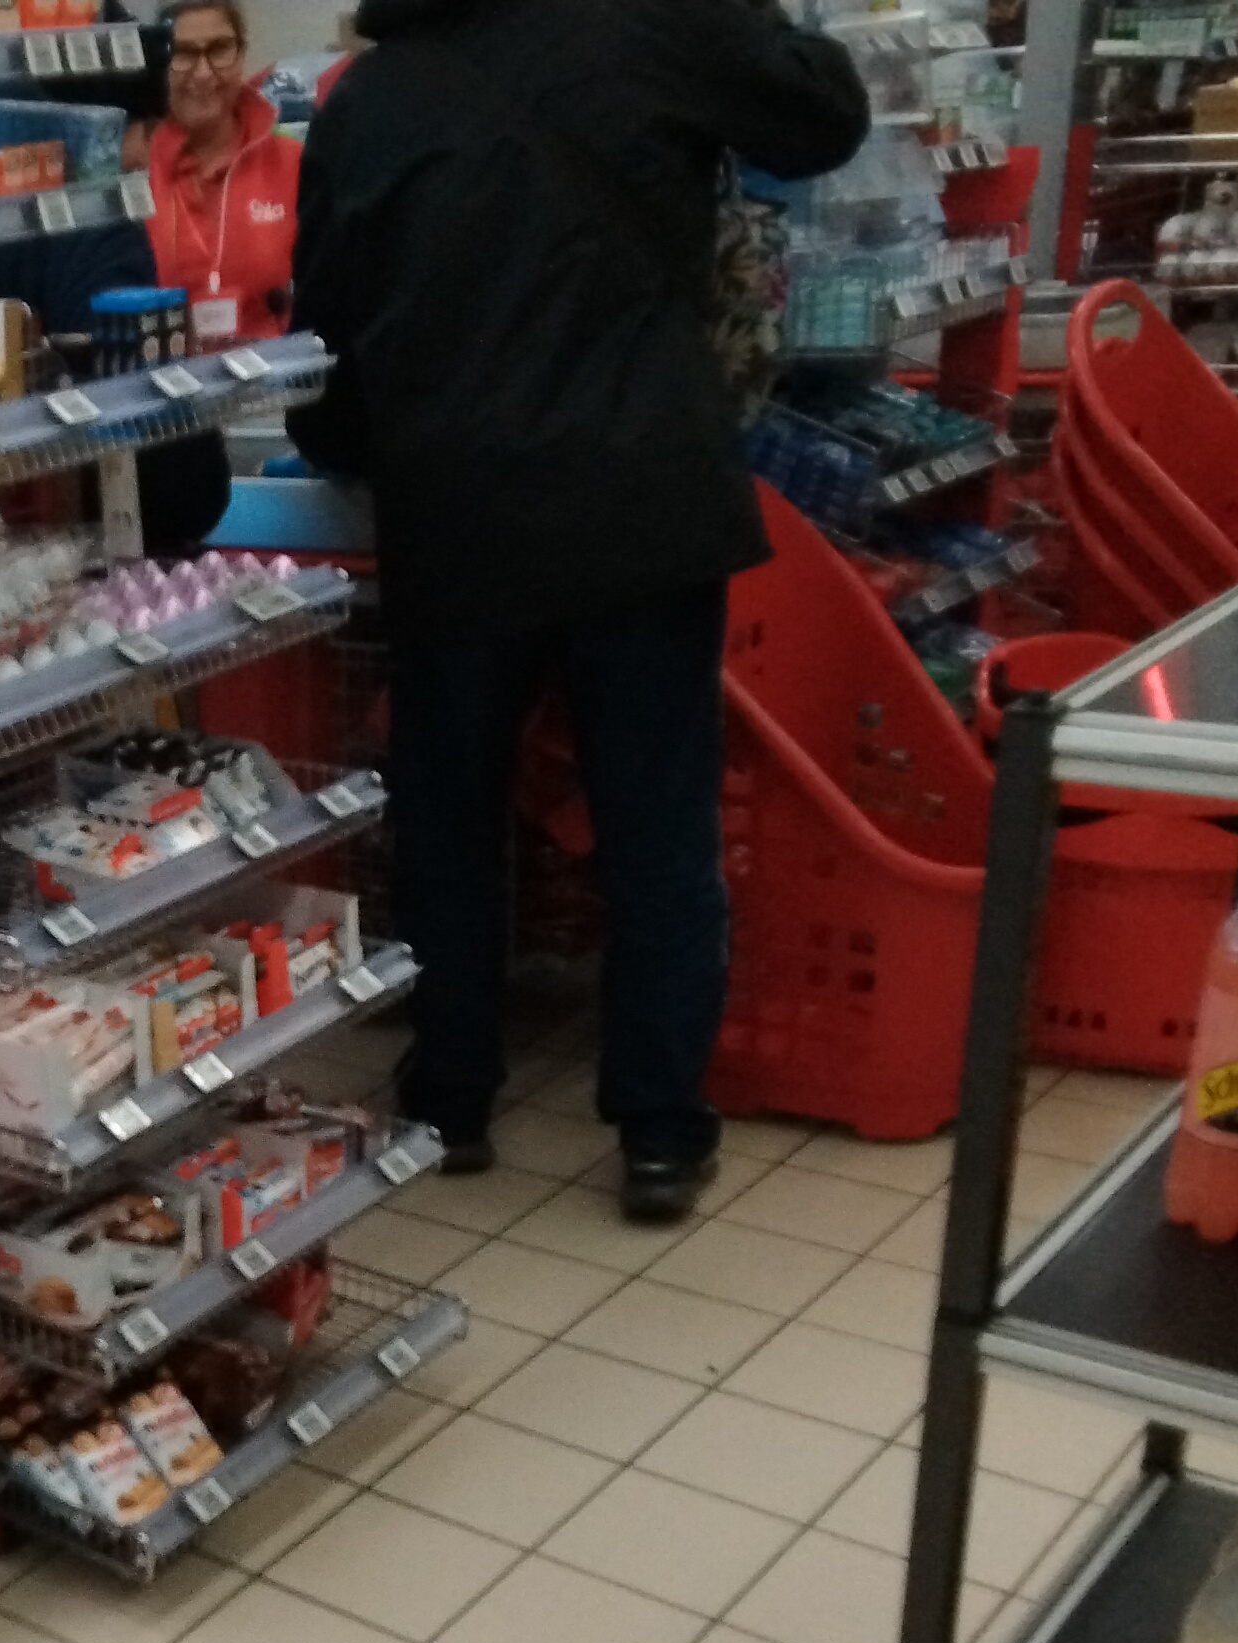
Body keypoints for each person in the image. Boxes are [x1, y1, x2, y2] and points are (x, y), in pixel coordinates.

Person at [287, 0, 865, 1220]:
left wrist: (353, 445)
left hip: (456, 512)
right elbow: (824, 115)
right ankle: (658, 1131)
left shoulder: (368, 99)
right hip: (638, 496)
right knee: (656, 830)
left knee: (450, 823)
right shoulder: (650, 24)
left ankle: (451, 1098)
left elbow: (328, 328)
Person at [0, 48, 230, 552]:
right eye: (149, 136)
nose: (146, 162)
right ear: (108, 124)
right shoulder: (89, 206)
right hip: (64, 523)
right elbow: (173, 476)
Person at [144, 0, 302, 346]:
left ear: (241, 55)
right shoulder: (134, 173)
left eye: (219, 50)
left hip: (274, 374)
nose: (203, 72)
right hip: (162, 376)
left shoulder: (294, 164)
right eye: (183, 53)